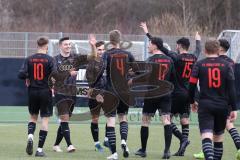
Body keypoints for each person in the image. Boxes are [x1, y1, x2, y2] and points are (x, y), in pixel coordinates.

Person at [140, 21, 201, 156]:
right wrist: (198, 41)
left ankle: (183, 139)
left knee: (168, 119)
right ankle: (182, 149)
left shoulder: (175, 57)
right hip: (188, 93)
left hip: (176, 92)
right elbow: (198, 50)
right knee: (184, 119)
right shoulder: (194, 57)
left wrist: (147, 33)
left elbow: (161, 48)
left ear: (179, 46)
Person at [189, 39, 238, 160]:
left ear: (205, 50)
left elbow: (191, 86)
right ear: (218, 50)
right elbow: (232, 89)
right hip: (222, 105)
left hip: (205, 105)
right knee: (218, 138)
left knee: (206, 135)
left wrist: (192, 101)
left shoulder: (199, 64)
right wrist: (234, 108)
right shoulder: (227, 65)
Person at [134, 35, 176, 159]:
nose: (148, 45)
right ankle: (167, 151)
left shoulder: (150, 60)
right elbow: (173, 79)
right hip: (165, 93)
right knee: (166, 121)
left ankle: (143, 150)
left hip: (152, 93)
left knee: (145, 121)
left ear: (155, 45)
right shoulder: (169, 60)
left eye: (150, 43)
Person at [52, 36, 96, 153]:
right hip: (60, 92)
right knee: (64, 118)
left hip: (72, 93)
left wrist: (92, 46)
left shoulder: (75, 57)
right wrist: (68, 73)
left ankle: (56, 144)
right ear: (60, 46)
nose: (68, 46)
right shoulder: (55, 59)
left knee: (65, 120)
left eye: (69, 44)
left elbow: (92, 57)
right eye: (66, 44)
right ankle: (70, 145)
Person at [18, 36, 55, 157]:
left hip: (33, 91)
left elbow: (21, 74)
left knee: (33, 117)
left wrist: (28, 77)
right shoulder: (50, 60)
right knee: (44, 119)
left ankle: (30, 136)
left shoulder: (29, 59)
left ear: (37, 45)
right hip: (45, 91)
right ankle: (39, 150)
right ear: (46, 46)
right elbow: (55, 76)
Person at [102, 30, 135, 160]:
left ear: (110, 41)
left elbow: (101, 70)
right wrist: (129, 78)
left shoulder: (107, 54)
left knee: (111, 120)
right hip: (125, 91)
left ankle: (114, 153)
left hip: (111, 91)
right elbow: (138, 70)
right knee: (123, 118)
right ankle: (124, 142)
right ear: (120, 40)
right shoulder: (128, 54)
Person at [86, 38, 106, 152]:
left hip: (107, 92)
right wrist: (92, 46)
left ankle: (107, 139)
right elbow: (89, 78)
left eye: (103, 49)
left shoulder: (106, 60)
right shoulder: (92, 61)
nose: (101, 52)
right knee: (95, 119)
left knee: (111, 118)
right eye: (99, 49)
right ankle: (97, 143)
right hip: (95, 93)